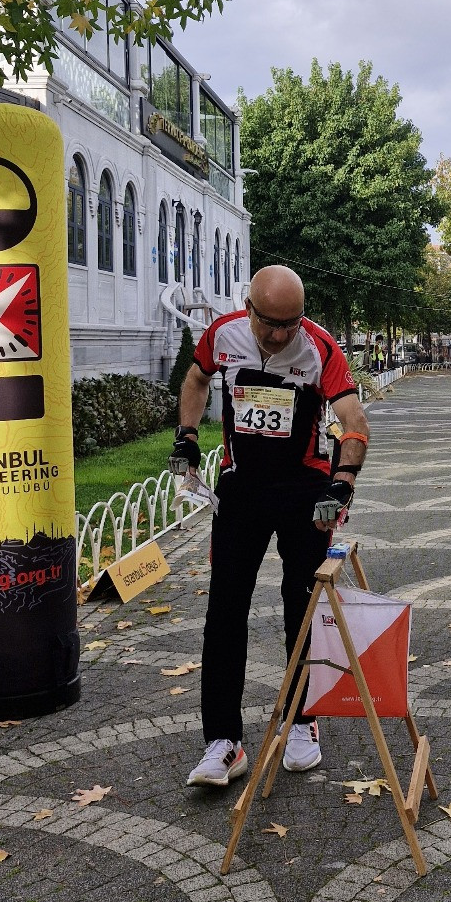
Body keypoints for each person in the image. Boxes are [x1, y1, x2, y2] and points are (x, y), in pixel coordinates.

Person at [173, 265, 370, 788]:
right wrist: (186, 434)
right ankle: (223, 741)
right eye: (270, 324)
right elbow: (195, 379)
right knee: (225, 608)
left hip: (304, 488)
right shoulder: (223, 335)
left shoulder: (320, 348)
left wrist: (343, 482)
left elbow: (354, 422)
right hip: (240, 487)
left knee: (301, 605)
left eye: (291, 324)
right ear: (249, 309)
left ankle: (302, 722)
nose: (281, 336)